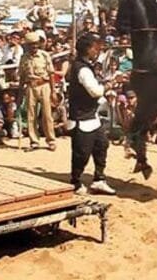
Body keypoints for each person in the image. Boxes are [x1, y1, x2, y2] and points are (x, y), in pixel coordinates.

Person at [67, 33, 116, 195]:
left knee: (102, 145)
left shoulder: (85, 66)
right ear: (88, 49)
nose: (98, 50)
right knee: (82, 153)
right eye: (96, 47)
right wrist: (109, 85)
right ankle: (75, 182)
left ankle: (99, 180)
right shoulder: (81, 69)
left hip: (91, 116)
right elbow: (95, 91)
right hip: (82, 119)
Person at [19, 31, 58, 151]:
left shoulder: (45, 55)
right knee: (31, 115)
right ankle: (34, 141)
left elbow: (51, 74)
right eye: (31, 44)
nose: (34, 46)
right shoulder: (24, 57)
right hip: (31, 86)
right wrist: (20, 92)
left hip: (44, 85)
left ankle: (51, 140)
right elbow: (22, 75)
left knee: (47, 115)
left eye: (36, 44)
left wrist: (53, 91)